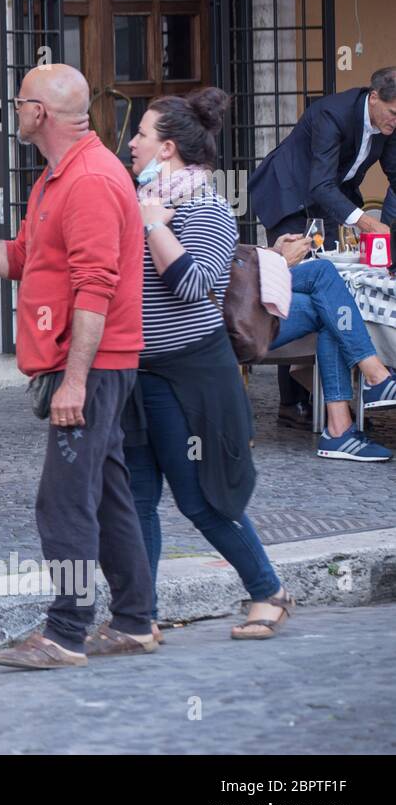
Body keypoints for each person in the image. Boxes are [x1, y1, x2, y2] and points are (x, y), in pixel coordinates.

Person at [0, 64, 156, 669]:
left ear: (40, 113)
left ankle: (66, 632)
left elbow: (96, 288)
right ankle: (135, 619)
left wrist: (74, 379)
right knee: (109, 489)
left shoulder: (91, 180)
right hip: (88, 365)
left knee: (62, 499)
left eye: (20, 101)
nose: (13, 110)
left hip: (90, 367)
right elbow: (22, 259)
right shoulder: (57, 179)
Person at [123, 88, 293, 642]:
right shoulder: (140, 203)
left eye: (142, 134)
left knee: (200, 497)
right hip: (141, 374)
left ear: (167, 147)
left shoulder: (208, 210)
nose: (131, 143)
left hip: (192, 377)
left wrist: (154, 226)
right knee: (140, 498)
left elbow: (195, 286)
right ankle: (139, 619)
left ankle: (268, 589)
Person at [250, 67, 396, 428]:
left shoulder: (389, 125)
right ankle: (292, 401)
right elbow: (320, 184)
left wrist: (387, 231)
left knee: (330, 282)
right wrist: (365, 221)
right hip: (289, 193)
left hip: (329, 197)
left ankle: (332, 398)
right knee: (298, 275)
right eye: (393, 113)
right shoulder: (332, 113)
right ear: (374, 97)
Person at [264, 233, 396, 460]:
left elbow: (229, 258)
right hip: (224, 314)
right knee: (325, 285)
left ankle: (340, 428)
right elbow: (204, 274)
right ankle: (374, 380)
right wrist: (279, 261)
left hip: (240, 289)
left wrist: (272, 252)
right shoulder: (191, 210)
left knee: (329, 302)